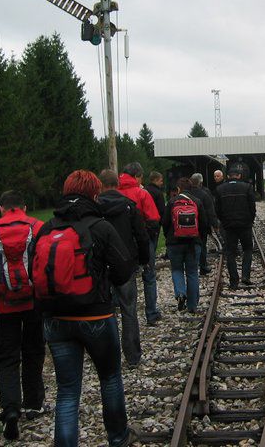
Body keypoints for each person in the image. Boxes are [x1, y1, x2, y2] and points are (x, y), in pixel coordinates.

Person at [34, 170, 136, 447]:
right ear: (95, 194)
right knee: (110, 378)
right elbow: (124, 270)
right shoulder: (100, 227)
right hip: (96, 315)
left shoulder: (46, 229)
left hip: (56, 318)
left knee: (67, 390)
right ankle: (118, 436)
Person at [0, 190, 46, 440]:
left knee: (6, 358)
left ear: (1, 208)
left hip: (3, 305)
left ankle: (11, 409)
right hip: (34, 301)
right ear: (24, 207)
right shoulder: (38, 227)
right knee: (34, 351)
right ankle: (34, 404)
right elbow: (45, 263)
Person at [97, 169, 151, 369]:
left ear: (100, 185)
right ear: (117, 185)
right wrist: (143, 260)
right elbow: (142, 236)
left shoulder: (94, 208)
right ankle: (133, 356)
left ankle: (107, 356)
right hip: (126, 264)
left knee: (104, 311)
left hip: (101, 266)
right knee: (129, 310)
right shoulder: (129, 207)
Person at [119, 162, 163, 325]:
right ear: (137, 176)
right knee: (149, 276)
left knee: (125, 278)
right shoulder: (142, 193)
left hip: (121, 243)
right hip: (142, 241)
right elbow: (154, 218)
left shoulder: (114, 192)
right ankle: (151, 313)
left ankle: (127, 315)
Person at [162, 177, 208, 312]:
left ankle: (181, 293)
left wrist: (168, 237)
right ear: (191, 188)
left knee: (177, 270)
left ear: (178, 189)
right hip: (193, 243)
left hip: (174, 243)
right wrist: (200, 239)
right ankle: (192, 306)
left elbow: (164, 223)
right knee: (192, 272)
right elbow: (204, 224)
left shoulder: (172, 202)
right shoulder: (197, 202)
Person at [215, 162, 256, 289]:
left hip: (229, 226)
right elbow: (252, 208)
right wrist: (250, 220)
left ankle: (234, 281)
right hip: (245, 225)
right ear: (238, 175)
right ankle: (245, 276)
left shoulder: (220, 189)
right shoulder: (247, 187)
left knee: (230, 252)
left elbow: (218, 210)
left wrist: (224, 221)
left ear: (228, 176)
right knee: (247, 249)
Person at [188, 172, 219, 275]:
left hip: (187, 224)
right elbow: (210, 211)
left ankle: (190, 265)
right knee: (202, 245)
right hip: (202, 225)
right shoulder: (205, 194)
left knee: (189, 245)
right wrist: (215, 225)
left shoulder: (186, 193)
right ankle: (203, 266)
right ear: (201, 182)